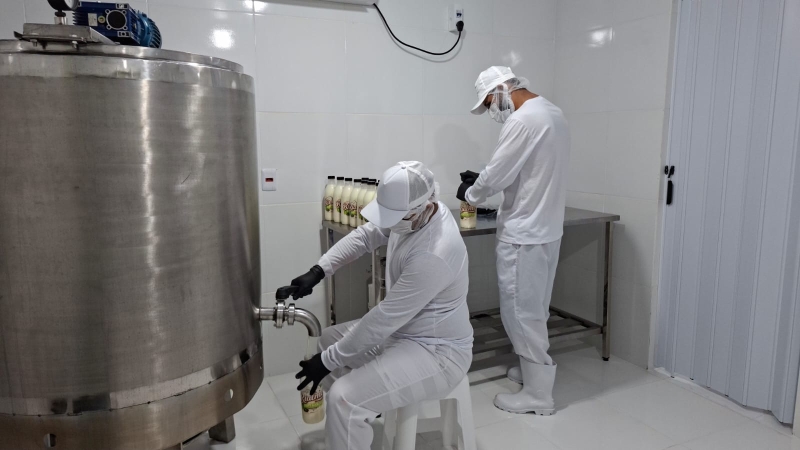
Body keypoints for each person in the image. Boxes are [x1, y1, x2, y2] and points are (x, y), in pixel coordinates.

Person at [291, 161, 473, 450]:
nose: (390, 223)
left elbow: (385, 318)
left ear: (425, 207)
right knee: (327, 340)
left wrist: (326, 362)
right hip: (402, 333)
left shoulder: (435, 252)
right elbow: (366, 235)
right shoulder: (415, 215)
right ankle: (361, 416)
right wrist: (319, 270)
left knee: (343, 397)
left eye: (396, 217)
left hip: (437, 352)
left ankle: (354, 410)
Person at [457, 66, 569, 415]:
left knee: (520, 312)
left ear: (501, 90)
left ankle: (538, 395)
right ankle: (533, 371)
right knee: (535, 308)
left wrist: (471, 193)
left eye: (489, 102)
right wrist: (486, 179)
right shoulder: (552, 112)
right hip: (547, 229)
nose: (492, 110)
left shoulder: (522, 120)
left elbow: (497, 175)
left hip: (523, 233)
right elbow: (529, 167)